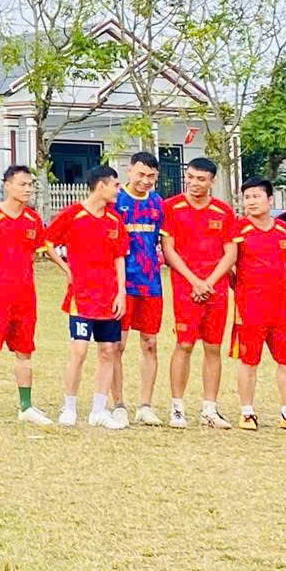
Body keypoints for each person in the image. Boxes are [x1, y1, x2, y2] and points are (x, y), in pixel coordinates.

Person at [0, 164, 54, 425]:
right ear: (7, 185)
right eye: (22, 184)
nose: (28, 189)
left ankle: (25, 406)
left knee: (25, 352)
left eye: (30, 185)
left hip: (25, 297)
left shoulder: (33, 219)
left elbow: (33, 256)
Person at [229, 179, 286, 431]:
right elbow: (229, 266)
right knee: (249, 360)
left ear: (269, 200)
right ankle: (247, 413)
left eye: (256, 196)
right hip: (249, 306)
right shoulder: (238, 230)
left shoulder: (285, 231)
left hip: (281, 307)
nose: (251, 202)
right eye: (247, 197)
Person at [45, 164, 127, 429]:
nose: (119, 190)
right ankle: (69, 407)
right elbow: (48, 242)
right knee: (79, 351)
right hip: (81, 296)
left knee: (108, 350)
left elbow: (119, 257)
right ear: (101, 186)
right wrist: (66, 268)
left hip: (109, 297)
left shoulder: (115, 220)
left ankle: (98, 410)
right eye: (115, 185)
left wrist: (122, 292)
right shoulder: (73, 214)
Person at [160, 156, 237, 429]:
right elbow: (169, 249)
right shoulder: (171, 207)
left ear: (212, 182)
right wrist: (194, 281)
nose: (194, 183)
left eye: (201, 179)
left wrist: (209, 282)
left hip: (216, 289)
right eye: (190, 177)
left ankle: (209, 409)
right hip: (185, 287)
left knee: (213, 347)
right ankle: (177, 408)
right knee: (184, 345)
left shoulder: (223, 211)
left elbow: (231, 253)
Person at [109, 150, 164, 428]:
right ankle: (118, 405)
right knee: (116, 345)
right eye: (141, 174)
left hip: (151, 283)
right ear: (129, 171)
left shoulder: (158, 203)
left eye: (151, 176)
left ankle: (145, 406)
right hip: (120, 284)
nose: (145, 180)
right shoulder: (115, 201)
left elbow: (163, 242)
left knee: (150, 343)